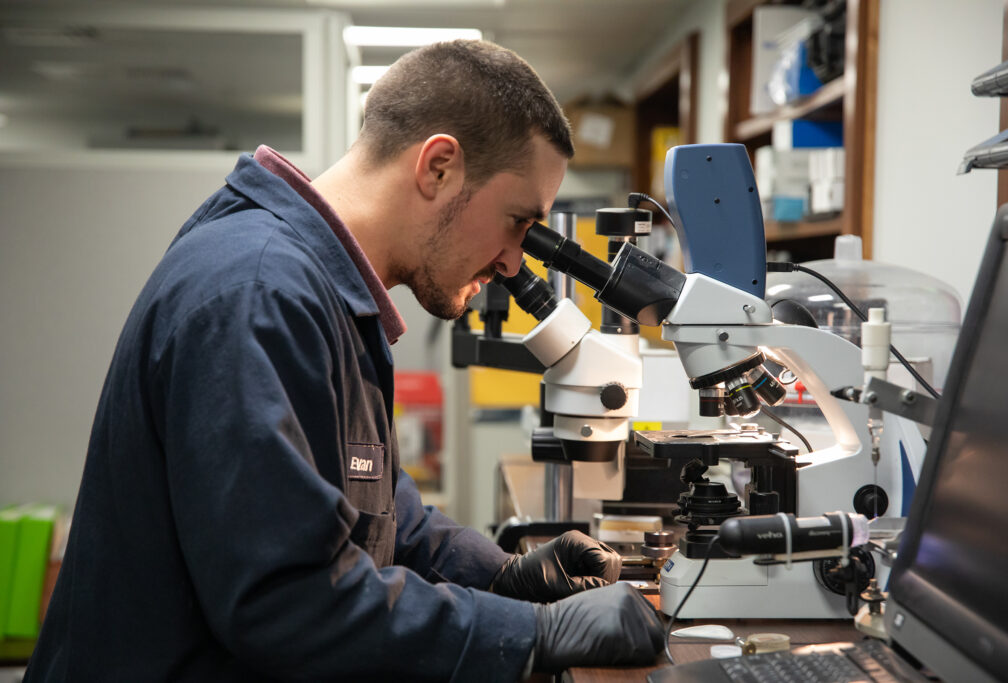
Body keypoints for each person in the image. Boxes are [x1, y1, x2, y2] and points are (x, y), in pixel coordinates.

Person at [24, 39, 662, 681]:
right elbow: (291, 601)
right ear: (438, 167)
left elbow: (371, 507)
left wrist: (499, 572)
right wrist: (532, 634)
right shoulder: (260, 294)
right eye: (518, 222)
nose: (511, 262)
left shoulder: (319, 290)